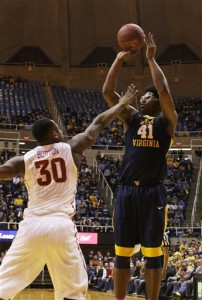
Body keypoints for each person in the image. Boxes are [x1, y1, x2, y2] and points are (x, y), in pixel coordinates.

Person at [0, 84, 138, 300]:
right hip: (61, 225)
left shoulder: (24, 160)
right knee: (73, 291)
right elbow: (99, 123)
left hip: (31, 226)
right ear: (54, 132)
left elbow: (3, 172)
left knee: (3, 284)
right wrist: (121, 104)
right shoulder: (71, 148)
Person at [102, 32, 178, 300]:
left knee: (153, 254)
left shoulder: (167, 122)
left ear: (156, 102)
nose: (141, 99)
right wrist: (118, 59)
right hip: (126, 191)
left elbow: (165, 89)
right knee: (121, 252)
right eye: (143, 97)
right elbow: (108, 93)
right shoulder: (131, 118)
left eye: (147, 96)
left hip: (152, 192)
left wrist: (150, 58)